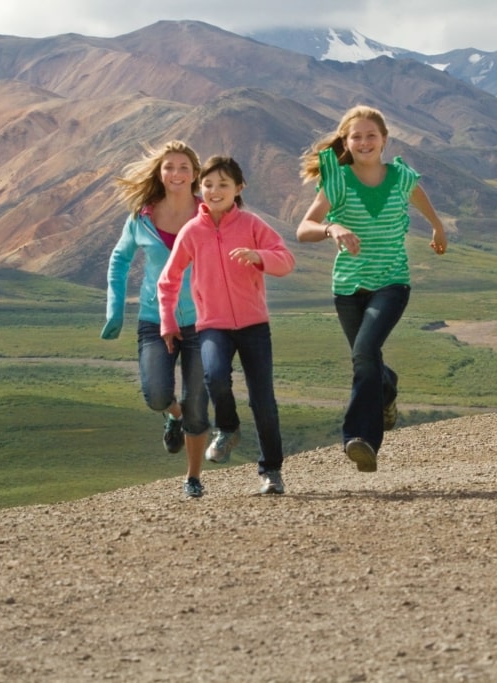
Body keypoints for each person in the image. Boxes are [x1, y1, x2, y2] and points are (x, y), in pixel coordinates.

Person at [296, 105, 447, 473]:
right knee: (368, 361)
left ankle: (360, 439)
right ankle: (387, 387)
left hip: (392, 283)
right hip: (348, 288)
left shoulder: (400, 176)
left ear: (384, 140)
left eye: (371, 135)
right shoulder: (338, 181)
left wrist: (437, 227)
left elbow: (419, 195)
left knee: (364, 352)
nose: (364, 142)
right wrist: (332, 228)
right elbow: (304, 229)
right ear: (346, 143)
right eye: (356, 136)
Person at [158, 155, 295, 495]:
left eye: (223, 184)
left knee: (263, 400)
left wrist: (259, 256)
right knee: (215, 376)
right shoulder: (192, 231)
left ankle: (271, 471)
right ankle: (229, 428)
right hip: (212, 325)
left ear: (239, 188)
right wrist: (168, 321)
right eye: (207, 185)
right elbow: (169, 279)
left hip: (253, 325)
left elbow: (286, 260)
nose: (214, 191)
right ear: (198, 188)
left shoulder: (251, 224)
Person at [101, 140, 211, 499]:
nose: (176, 173)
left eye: (183, 167)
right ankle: (172, 415)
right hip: (153, 318)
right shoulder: (141, 217)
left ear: (195, 174)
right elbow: (119, 261)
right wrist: (115, 310)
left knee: (198, 401)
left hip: (203, 321)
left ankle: (193, 478)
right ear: (159, 173)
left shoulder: (210, 213)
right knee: (156, 394)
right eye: (169, 167)